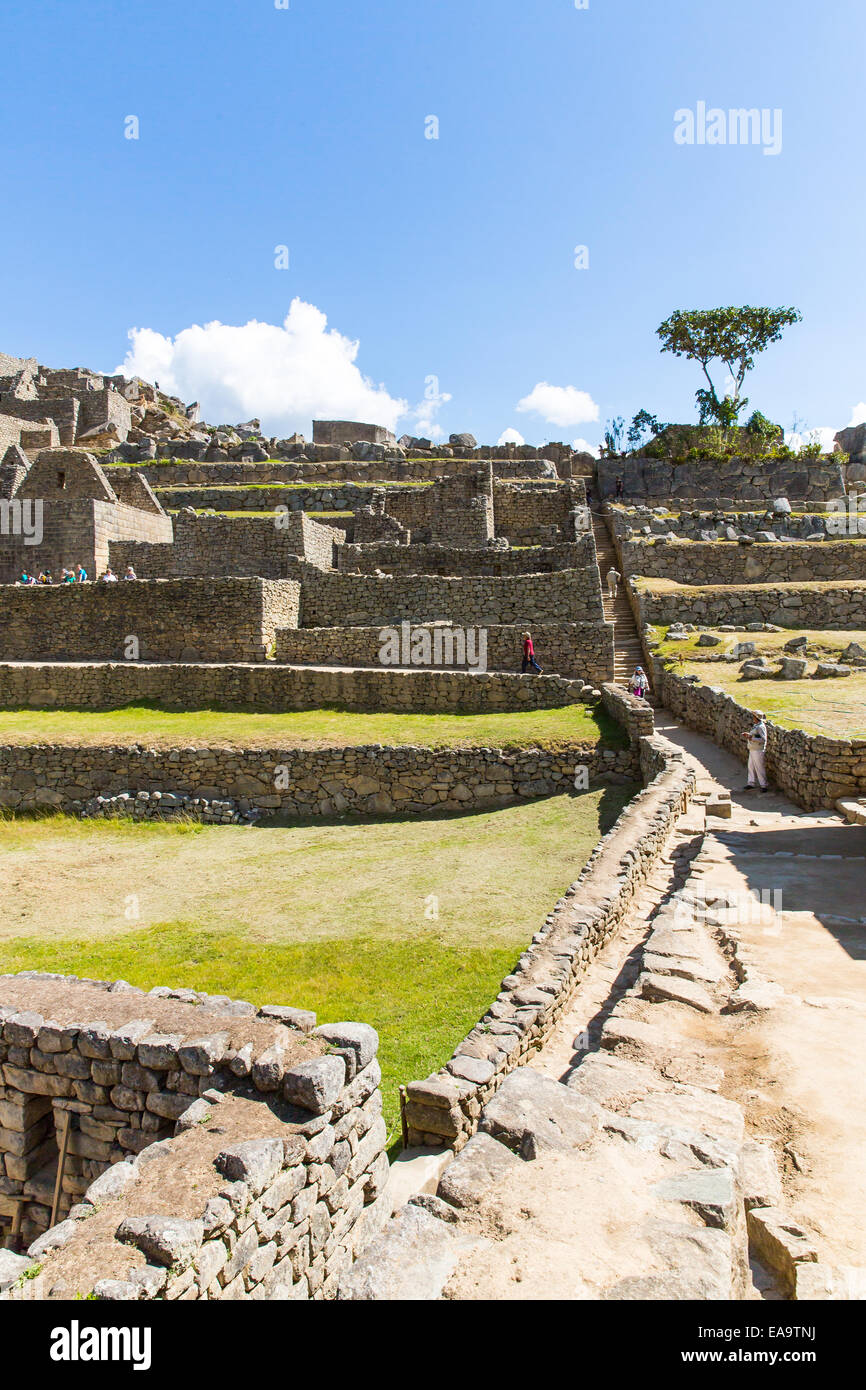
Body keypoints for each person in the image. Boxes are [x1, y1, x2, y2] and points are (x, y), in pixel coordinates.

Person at [742, 711, 770, 793]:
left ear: (757, 718)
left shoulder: (760, 727)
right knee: (751, 766)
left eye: (754, 716)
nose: (753, 718)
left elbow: (763, 739)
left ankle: (764, 785)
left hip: (758, 750)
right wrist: (749, 736)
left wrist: (751, 738)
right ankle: (751, 783)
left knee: (759, 767)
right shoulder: (756, 726)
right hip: (753, 749)